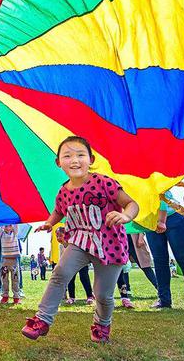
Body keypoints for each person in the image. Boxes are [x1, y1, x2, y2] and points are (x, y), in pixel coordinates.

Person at [22, 136, 139, 343]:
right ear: (59, 163)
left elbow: (131, 203)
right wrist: (50, 223)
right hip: (80, 241)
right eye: (67, 156)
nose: (74, 160)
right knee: (60, 274)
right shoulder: (63, 191)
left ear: (91, 159)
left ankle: (102, 325)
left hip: (109, 244)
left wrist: (126, 216)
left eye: (80, 155)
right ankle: (42, 319)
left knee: (103, 294)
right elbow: (58, 211)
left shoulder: (104, 183)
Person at [146, 190, 184, 310]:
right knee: (159, 260)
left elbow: (161, 196)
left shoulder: (155, 175)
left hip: (173, 217)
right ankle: (164, 300)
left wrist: (162, 221)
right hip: (151, 221)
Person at [57, 228, 95, 305]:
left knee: (84, 278)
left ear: (66, 235)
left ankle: (90, 296)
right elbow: (62, 257)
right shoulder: (61, 246)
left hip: (81, 263)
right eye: (57, 236)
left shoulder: (73, 243)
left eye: (60, 235)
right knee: (70, 279)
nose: (58, 238)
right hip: (70, 264)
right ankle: (72, 297)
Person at [0, 224, 21, 304]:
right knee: (4, 279)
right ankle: (5, 296)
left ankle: (16, 296)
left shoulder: (15, 233)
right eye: (6, 226)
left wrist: (13, 223)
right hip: (5, 260)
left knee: (15, 279)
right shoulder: (1, 234)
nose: (8, 227)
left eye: (10, 225)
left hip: (14, 260)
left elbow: (16, 223)